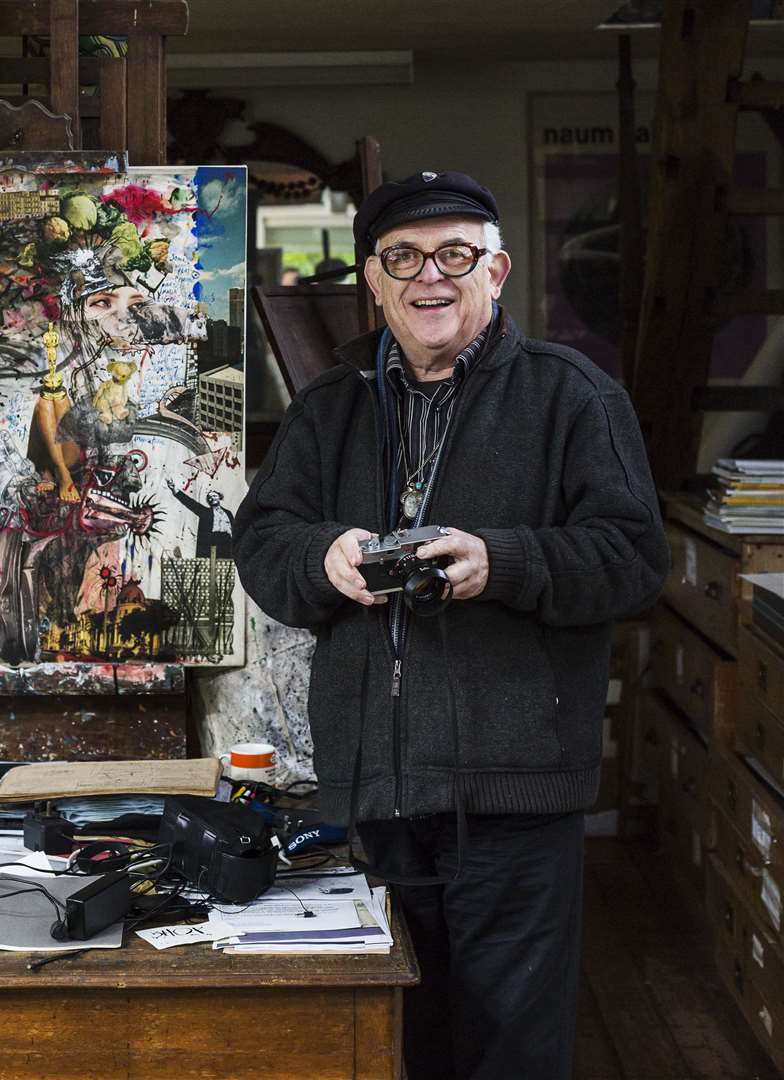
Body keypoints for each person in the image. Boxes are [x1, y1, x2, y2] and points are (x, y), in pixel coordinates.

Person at [233, 170, 669, 1080]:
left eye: (453, 254)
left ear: (497, 268)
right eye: (402, 257)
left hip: (514, 797)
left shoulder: (572, 396)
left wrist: (499, 562)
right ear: (373, 280)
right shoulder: (328, 406)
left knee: (512, 1048)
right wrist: (323, 558)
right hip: (376, 792)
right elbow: (264, 547)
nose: (428, 276)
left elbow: (631, 559)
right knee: (399, 1042)